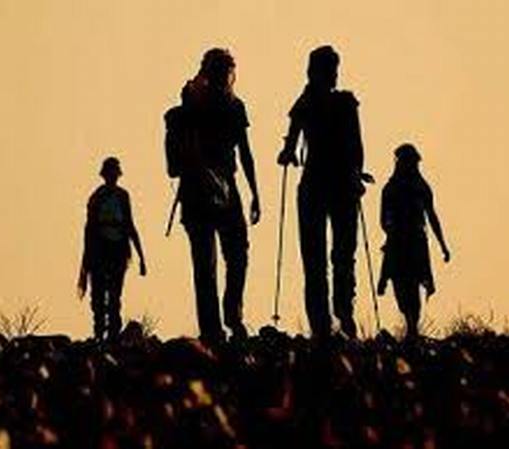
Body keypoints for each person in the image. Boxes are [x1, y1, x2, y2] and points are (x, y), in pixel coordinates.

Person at [277, 45, 373, 339]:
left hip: (318, 186)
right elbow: (356, 147)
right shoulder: (343, 103)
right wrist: (356, 174)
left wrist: (288, 153)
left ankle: (332, 320)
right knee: (336, 256)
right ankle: (338, 318)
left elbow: (291, 143)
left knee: (323, 257)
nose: (333, 76)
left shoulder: (308, 102)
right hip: (338, 185)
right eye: (330, 70)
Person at [167, 48, 261, 344]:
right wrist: (255, 193)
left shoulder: (193, 110)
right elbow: (244, 153)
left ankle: (219, 324)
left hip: (204, 190)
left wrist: (255, 193)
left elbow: (244, 152)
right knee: (226, 257)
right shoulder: (228, 107)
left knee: (214, 261)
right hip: (214, 189)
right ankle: (223, 322)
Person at [377, 144, 451, 338]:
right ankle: (411, 326)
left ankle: (412, 329)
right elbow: (383, 219)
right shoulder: (391, 188)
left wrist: (443, 245)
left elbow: (432, 216)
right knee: (400, 287)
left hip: (416, 241)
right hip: (398, 240)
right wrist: (392, 228)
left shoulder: (420, 187)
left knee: (414, 285)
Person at [78, 157, 147, 341]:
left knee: (115, 295)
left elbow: (130, 225)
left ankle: (113, 334)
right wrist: (86, 259)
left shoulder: (123, 196)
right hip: (99, 249)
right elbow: (89, 229)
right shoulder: (96, 197)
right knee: (99, 294)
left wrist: (141, 257)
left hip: (118, 249)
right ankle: (100, 333)